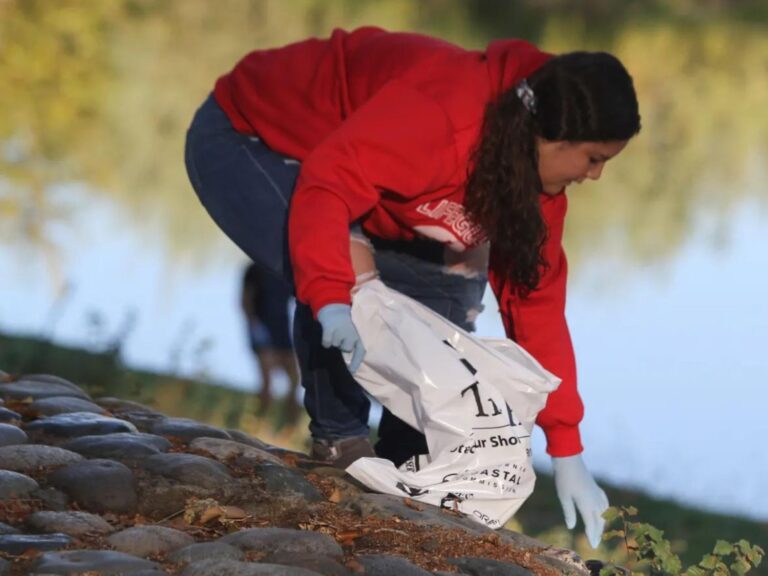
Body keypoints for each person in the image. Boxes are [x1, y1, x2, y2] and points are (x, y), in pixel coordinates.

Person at [184, 26, 640, 548]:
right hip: (256, 139)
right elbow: (328, 185)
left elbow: (536, 305)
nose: (597, 175)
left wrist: (566, 448)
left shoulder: (533, 184)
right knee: (346, 282)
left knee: (448, 301)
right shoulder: (442, 117)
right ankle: (341, 448)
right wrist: (333, 297)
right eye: (594, 158)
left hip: (371, 189)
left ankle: (407, 475)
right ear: (551, 138)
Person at [241, 261, 300, 421]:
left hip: (282, 331)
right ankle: (258, 421)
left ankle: (290, 428)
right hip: (262, 330)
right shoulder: (254, 269)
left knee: (295, 380)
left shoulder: (290, 272)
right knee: (267, 382)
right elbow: (245, 301)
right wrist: (254, 328)